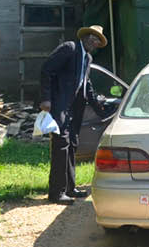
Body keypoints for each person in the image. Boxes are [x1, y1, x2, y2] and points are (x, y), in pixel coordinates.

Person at [39, 25, 108, 205]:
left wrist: (100, 109)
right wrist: (46, 99)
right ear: (85, 37)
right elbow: (46, 70)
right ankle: (56, 193)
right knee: (61, 146)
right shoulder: (69, 48)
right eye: (93, 39)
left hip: (74, 109)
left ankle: (70, 188)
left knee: (71, 146)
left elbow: (87, 85)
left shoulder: (88, 58)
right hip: (59, 106)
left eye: (98, 41)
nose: (95, 43)